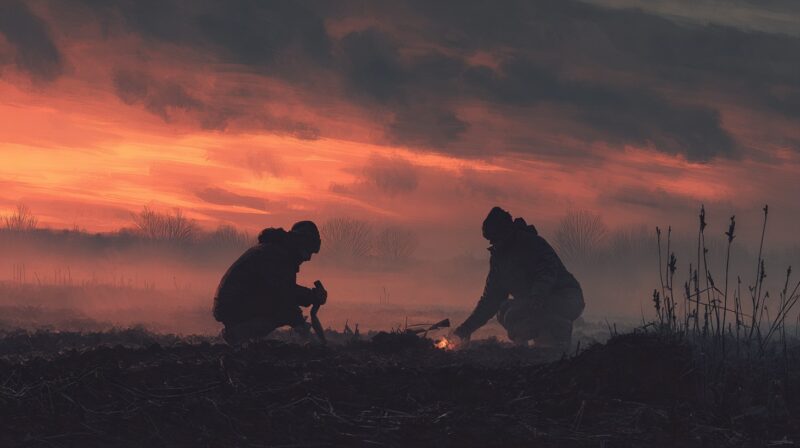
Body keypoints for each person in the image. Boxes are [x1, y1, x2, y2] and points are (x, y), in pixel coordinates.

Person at [453, 207, 584, 350]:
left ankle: (558, 334)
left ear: (507, 232)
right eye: (491, 239)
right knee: (504, 311)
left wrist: (536, 297)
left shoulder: (533, 244)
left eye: (495, 237)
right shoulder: (500, 259)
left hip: (567, 298)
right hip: (535, 303)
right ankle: (535, 345)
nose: (493, 243)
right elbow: (490, 300)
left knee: (514, 312)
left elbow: (547, 272)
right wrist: (466, 329)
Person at [212, 221, 327, 345]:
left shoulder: (277, 250)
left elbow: (282, 289)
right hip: (232, 305)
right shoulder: (276, 255)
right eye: (308, 251)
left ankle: (241, 333)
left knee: (286, 308)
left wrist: (309, 297)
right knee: (285, 311)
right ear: (301, 242)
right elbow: (283, 292)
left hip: (234, 302)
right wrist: (311, 296)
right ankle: (238, 334)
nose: (308, 258)